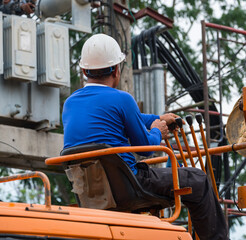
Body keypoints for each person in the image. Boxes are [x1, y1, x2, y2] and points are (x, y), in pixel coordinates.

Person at [62, 33, 228, 240]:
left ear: (85, 70)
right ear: (116, 69)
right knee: (198, 179)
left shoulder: (70, 103)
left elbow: (129, 117)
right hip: (129, 185)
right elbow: (147, 148)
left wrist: (157, 119)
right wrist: (158, 130)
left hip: (91, 192)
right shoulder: (122, 99)